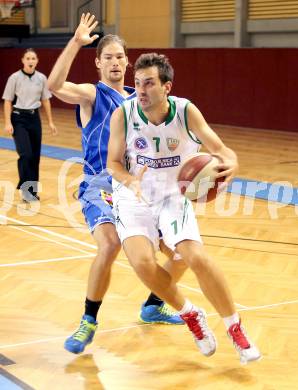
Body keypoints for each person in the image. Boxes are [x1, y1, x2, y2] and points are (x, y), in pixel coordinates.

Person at [107, 52, 261, 364]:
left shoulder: (185, 111)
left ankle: (235, 328)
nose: (141, 90)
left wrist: (231, 163)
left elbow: (221, 149)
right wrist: (128, 180)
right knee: (142, 263)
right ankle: (190, 314)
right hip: (133, 194)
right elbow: (112, 163)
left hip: (174, 193)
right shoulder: (124, 113)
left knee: (195, 256)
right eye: (137, 83)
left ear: (167, 87)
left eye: (149, 83)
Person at [47, 13, 187, 355]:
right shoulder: (91, 95)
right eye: (107, 57)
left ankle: (154, 304)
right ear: (97, 63)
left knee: (183, 252)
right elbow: (53, 87)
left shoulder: (139, 99)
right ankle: (88, 320)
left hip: (140, 190)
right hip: (100, 185)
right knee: (109, 244)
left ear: (128, 62)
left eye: (120, 57)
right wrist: (75, 43)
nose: (114, 62)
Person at [2, 48, 57, 202]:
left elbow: (45, 100)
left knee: (35, 157)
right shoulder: (14, 78)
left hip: (34, 118)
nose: (31, 61)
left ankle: (31, 192)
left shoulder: (42, 78)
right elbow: (7, 101)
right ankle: (25, 187)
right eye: (28, 58)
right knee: (25, 154)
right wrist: (7, 122)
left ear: (37, 61)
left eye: (33, 58)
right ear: (23, 60)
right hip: (18, 118)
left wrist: (51, 122)